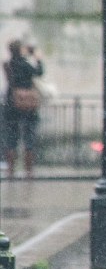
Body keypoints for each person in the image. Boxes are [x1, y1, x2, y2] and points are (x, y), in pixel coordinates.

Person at [3, 40, 45, 179]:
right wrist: (37, 59)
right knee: (29, 136)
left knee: (12, 137)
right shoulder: (25, 64)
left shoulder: (9, 64)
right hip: (28, 105)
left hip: (12, 103)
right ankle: (29, 170)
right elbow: (39, 72)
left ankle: (11, 169)